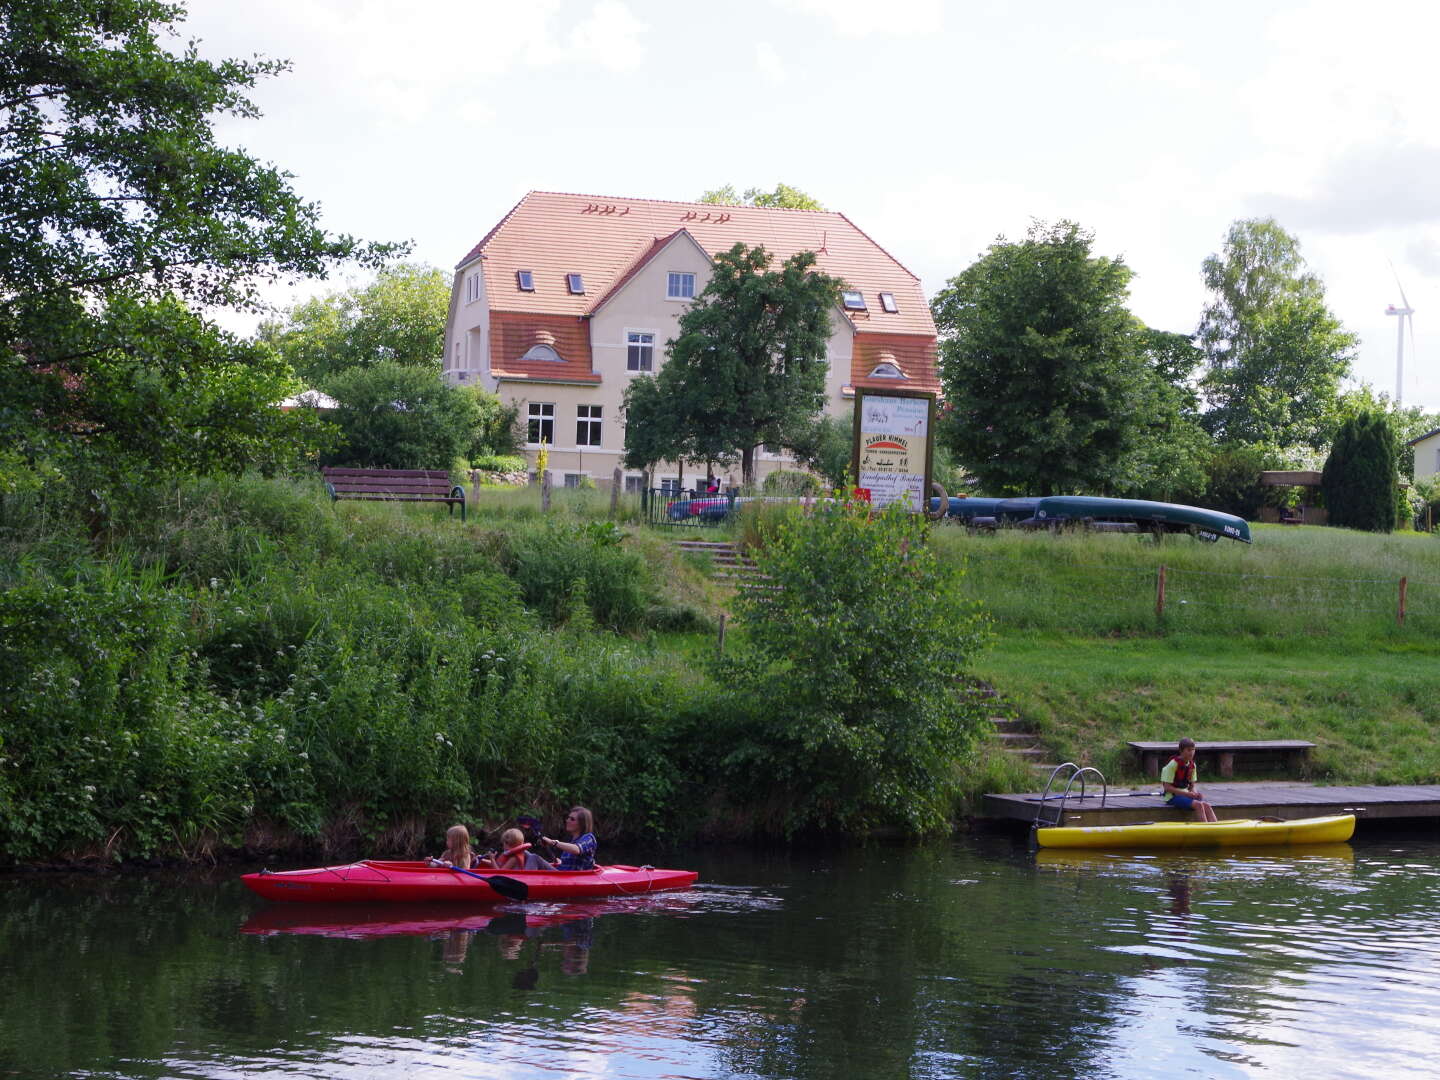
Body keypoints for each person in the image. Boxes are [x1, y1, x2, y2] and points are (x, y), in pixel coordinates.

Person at [1160, 738, 1219, 822]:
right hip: (1172, 797)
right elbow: (1167, 787)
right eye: (1188, 750)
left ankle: (1216, 828)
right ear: (1181, 751)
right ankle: (1206, 830)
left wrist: (1195, 793)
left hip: (1186, 795)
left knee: (1207, 805)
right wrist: (1187, 794)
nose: (1191, 752)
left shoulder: (1192, 765)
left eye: (1193, 750)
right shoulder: (1172, 765)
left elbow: (1192, 786)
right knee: (1199, 805)